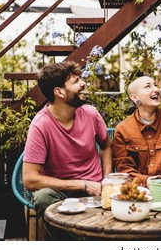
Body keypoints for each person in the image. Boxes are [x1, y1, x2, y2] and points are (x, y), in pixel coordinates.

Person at [23, 61, 113, 217]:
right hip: (62, 195)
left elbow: (106, 146)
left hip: (96, 192)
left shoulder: (91, 114)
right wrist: (83, 185)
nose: (83, 83)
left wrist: (106, 180)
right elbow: (30, 179)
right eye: (76, 81)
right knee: (43, 197)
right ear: (60, 92)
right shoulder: (40, 126)